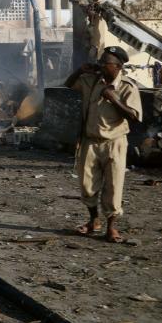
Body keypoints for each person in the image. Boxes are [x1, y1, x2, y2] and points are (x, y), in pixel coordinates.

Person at [64, 46, 142, 243]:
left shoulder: (127, 87)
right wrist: (80, 70)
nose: (99, 65)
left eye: (104, 62)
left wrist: (114, 99)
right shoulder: (90, 81)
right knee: (87, 186)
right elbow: (68, 85)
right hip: (90, 141)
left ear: (117, 66)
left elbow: (134, 117)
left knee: (114, 187)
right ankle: (93, 220)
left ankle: (112, 228)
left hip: (114, 142)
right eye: (99, 61)